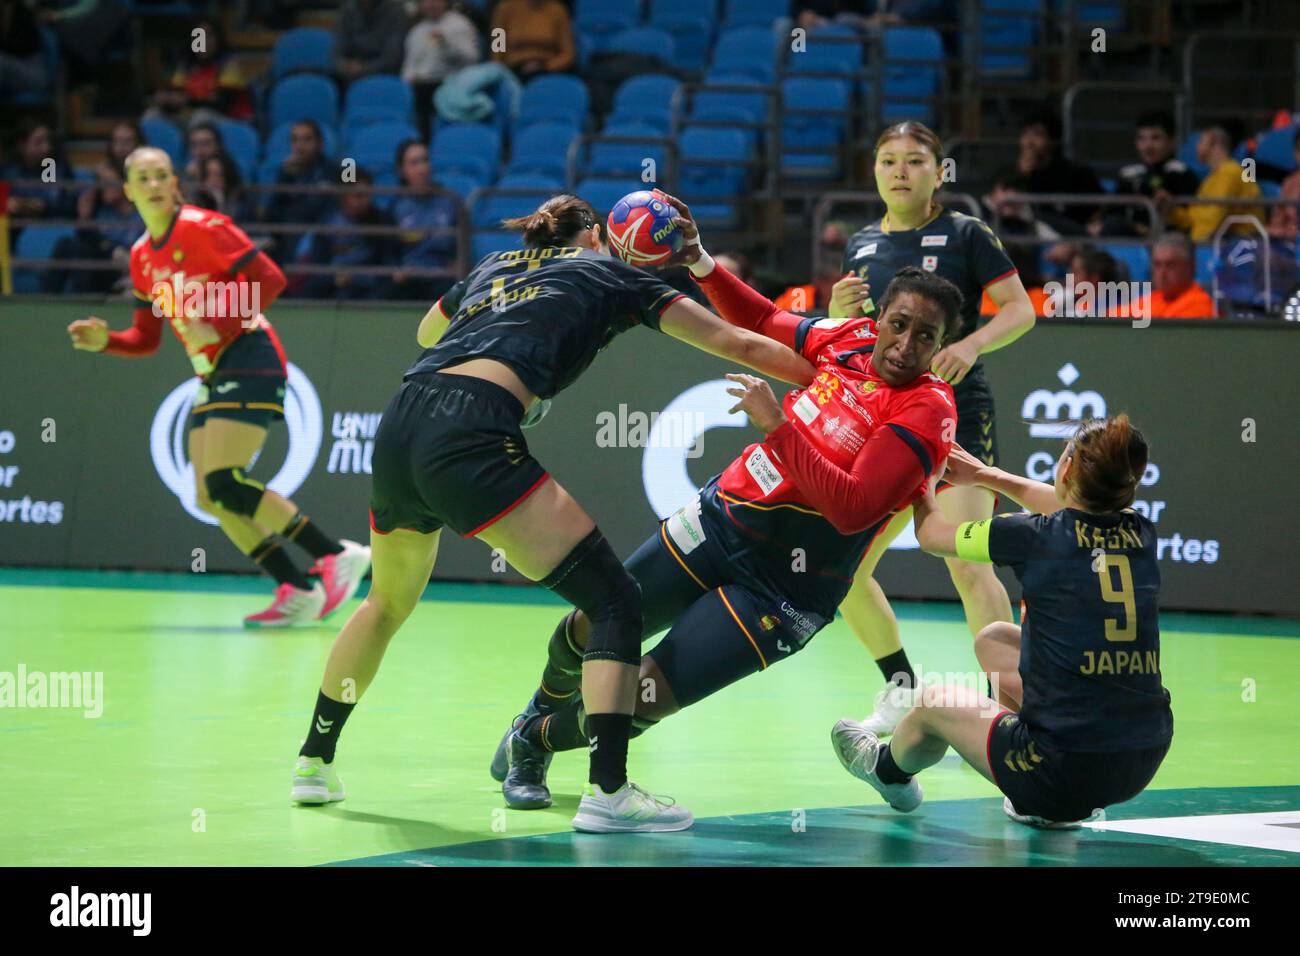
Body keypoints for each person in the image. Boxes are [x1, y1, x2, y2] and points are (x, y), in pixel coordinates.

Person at [288, 193, 816, 833]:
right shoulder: (614, 275)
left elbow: (429, 332)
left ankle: (314, 762)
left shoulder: (495, 265)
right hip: (471, 433)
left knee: (385, 604)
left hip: (402, 424)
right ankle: (610, 793)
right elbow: (741, 343)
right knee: (615, 601)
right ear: (597, 233)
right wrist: (840, 384)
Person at [489, 201, 966, 814]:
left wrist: (778, 427)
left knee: (636, 701)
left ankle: (533, 739)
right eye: (899, 324)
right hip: (719, 522)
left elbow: (853, 508)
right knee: (596, 623)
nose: (905, 344)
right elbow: (764, 319)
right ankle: (540, 703)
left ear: (942, 344)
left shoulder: (928, 409)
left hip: (781, 591)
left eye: (926, 336)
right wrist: (701, 263)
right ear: (882, 318)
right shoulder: (848, 337)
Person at [66, 147, 372, 627]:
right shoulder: (143, 258)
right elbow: (145, 340)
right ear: (127, 191)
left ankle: (334, 554)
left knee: (224, 480)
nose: (152, 184)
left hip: (250, 356)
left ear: (174, 183)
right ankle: (297, 587)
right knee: (210, 497)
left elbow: (269, 278)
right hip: (210, 372)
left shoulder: (202, 227)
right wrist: (106, 341)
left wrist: (221, 320)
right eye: (142, 178)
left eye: (161, 175)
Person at [832, 417, 1172, 829]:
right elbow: (1074, 508)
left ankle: (885, 770)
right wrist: (985, 476)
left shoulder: (1029, 536)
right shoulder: (1141, 531)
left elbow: (933, 535)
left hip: (1059, 770)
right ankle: (1033, 794)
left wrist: (922, 484)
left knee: (934, 703)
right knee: (995, 641)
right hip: (1144, 754)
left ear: (1065, 469)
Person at [831, 121, 1036, 735]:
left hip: (956, 418)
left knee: (966, 561)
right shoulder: (861, 244)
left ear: (938, 172)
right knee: (843, 571)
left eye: (915, 161)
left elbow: (1021, 310)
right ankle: (900, 689)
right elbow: (858, 341)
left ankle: (1017, 705)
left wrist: (971, 345)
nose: (900, 171)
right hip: (883, 422)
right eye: (889, 160)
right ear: (874, 170)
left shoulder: (967, 234)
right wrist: (837, 315)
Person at [295, 168, 399, 300]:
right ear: (344, 195)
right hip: (333, 281)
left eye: (368, 195)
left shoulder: (380, 221)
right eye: (358, 196)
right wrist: (333, 277)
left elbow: (386, 261)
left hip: (368, 283)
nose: (364, 201)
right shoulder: (328, 221)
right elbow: (318, 263)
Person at [1104, 110, 1200, 237]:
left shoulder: (1183, 175)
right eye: (1141, 139)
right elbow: (1113, 213)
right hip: (1127, 237)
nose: (1147, 146)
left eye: (1155, 138)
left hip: (1168, 241)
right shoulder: (1127, 175)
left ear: (1172, 141)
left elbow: (1190, 221)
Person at [1164, 126, 1265, 242]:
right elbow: (1193, 218)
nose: (1196, 147)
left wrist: (1193, 248)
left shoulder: (1230, 172)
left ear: (1211, 141)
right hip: (1214, 243)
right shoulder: (1211, 177)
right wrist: (1169, 209)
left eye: (1200, 141)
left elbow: (1215, 219)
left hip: (1239, 245)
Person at [1012, 112, 1105, 235]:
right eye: (1025, 134)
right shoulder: (1012, 174)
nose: (1029, 142)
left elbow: (1099, 209)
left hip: (1071, 237)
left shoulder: (1076, 173)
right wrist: (1022, 175)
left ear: (1053, 141)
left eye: (1037, 134)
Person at [389, 139, 459, 301]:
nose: (422, 168)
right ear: (402, 170)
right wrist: (395, 271)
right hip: (408, 279)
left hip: (442, 277)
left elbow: (460, 247)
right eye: (414, 163)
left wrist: (457, 264)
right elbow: (389, 252)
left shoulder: (449, 201)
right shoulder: (396, 206)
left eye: (425, 161)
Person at [402, 0, 481, 141]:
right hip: (421, 86)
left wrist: (446, 44)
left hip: (450, 82)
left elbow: (472, 58)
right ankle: (423, 143)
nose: (431, 4)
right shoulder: (416, 31)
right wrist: (408, 79)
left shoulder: (460, 24)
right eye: (426, 1)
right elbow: (409, 67)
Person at [263, 120, 336, 252]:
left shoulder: (337, 169)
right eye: (295, 140)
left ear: (320, 143)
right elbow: (271, 214)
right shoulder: (285, 173)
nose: (300, 146)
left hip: (325, 237)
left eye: (307, 139)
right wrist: (285, 176)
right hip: (291, 238)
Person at [1107, 232, 1214, 320]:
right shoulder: (1156, 298)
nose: (1162, 273)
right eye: (1157, 265)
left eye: (1170, 265)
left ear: (1190, 268)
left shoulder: (1199, 305)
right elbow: (1107, 318)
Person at [490, 0, 575, 79]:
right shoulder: (503, 9)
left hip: (547, 69)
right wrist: (503, 73)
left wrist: (545, 67)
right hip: (513, 70)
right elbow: (497, 49)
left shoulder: (558, 11)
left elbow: (568, 54)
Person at [336, 0, 407, 82]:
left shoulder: (396, 12)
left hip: (382, 76)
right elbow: (337, 48)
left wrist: (363, 68)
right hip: (347, 74)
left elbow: (392, 58)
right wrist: (343, 64)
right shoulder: (349, 8)